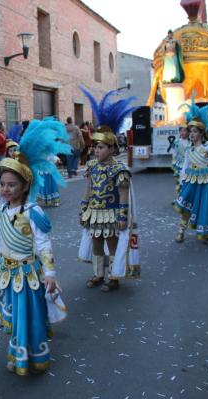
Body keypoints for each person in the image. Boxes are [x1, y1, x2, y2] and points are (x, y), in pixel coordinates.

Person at [0, 118, 70, 376]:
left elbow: (43, 245)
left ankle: (28, 356)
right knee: (15, 317)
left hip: (28, 275)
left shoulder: (33, 212)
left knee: (28, 317)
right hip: (6, 274)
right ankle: (17, 353)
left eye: (11, 185)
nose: (5, 189)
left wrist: (49, 273)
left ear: (25, 185)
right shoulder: (1, 210)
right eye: (3, 184)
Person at [79, 86, 136, 291]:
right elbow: (88, 188)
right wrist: (83, 208)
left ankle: (113, 276)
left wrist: (122, 216)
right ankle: (97, 274)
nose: (96, 150)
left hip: (111, 213)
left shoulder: (119, 170)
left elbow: (123, 195)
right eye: (95, 147)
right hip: (95, 212)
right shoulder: (92, 166)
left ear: (111, 148)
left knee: (111, 242)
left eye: (101, 147)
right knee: (96, 241)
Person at [173, 101, 208, 244]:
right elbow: (184, 167)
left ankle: (205, 233)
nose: (191, 134)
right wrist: (181, 183)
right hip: (190, 181)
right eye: (190, 131)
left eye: (194, 131)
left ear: (201, 133)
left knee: (204, 207)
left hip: (205, 182)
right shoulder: (189, 149)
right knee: (186, 207)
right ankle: (181, 231)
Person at [171, 124, 190, 194]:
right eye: (181, 131)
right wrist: (174, 164)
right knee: (179, 182)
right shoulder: (176, 142)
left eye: (184, 131)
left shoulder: (191, 142)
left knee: (187, 182)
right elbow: (174, 153)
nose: (182, 132)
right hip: (179, 165)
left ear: (188, 132)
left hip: (188, 165)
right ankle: (180, 197)